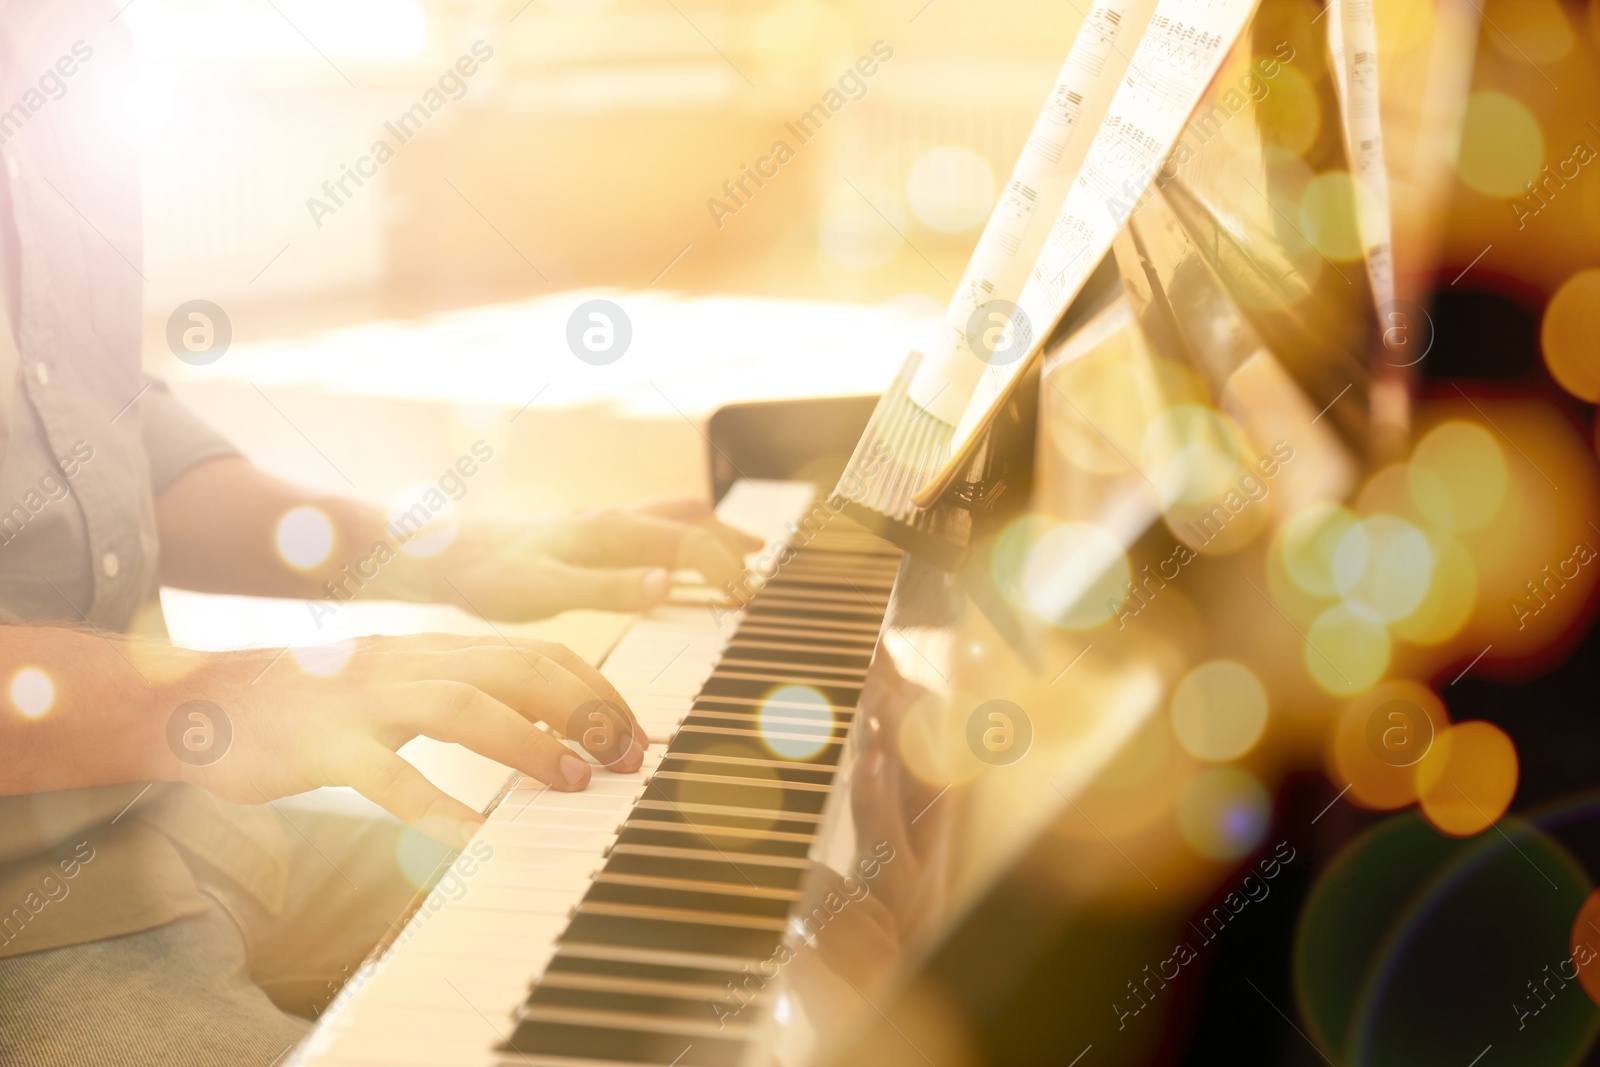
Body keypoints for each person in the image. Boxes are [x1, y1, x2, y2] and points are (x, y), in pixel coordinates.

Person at [0, 3, 756, 1063]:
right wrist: (202, 695)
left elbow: (103, 431)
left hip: (199, 819)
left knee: (702, 941)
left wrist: (451, 554)